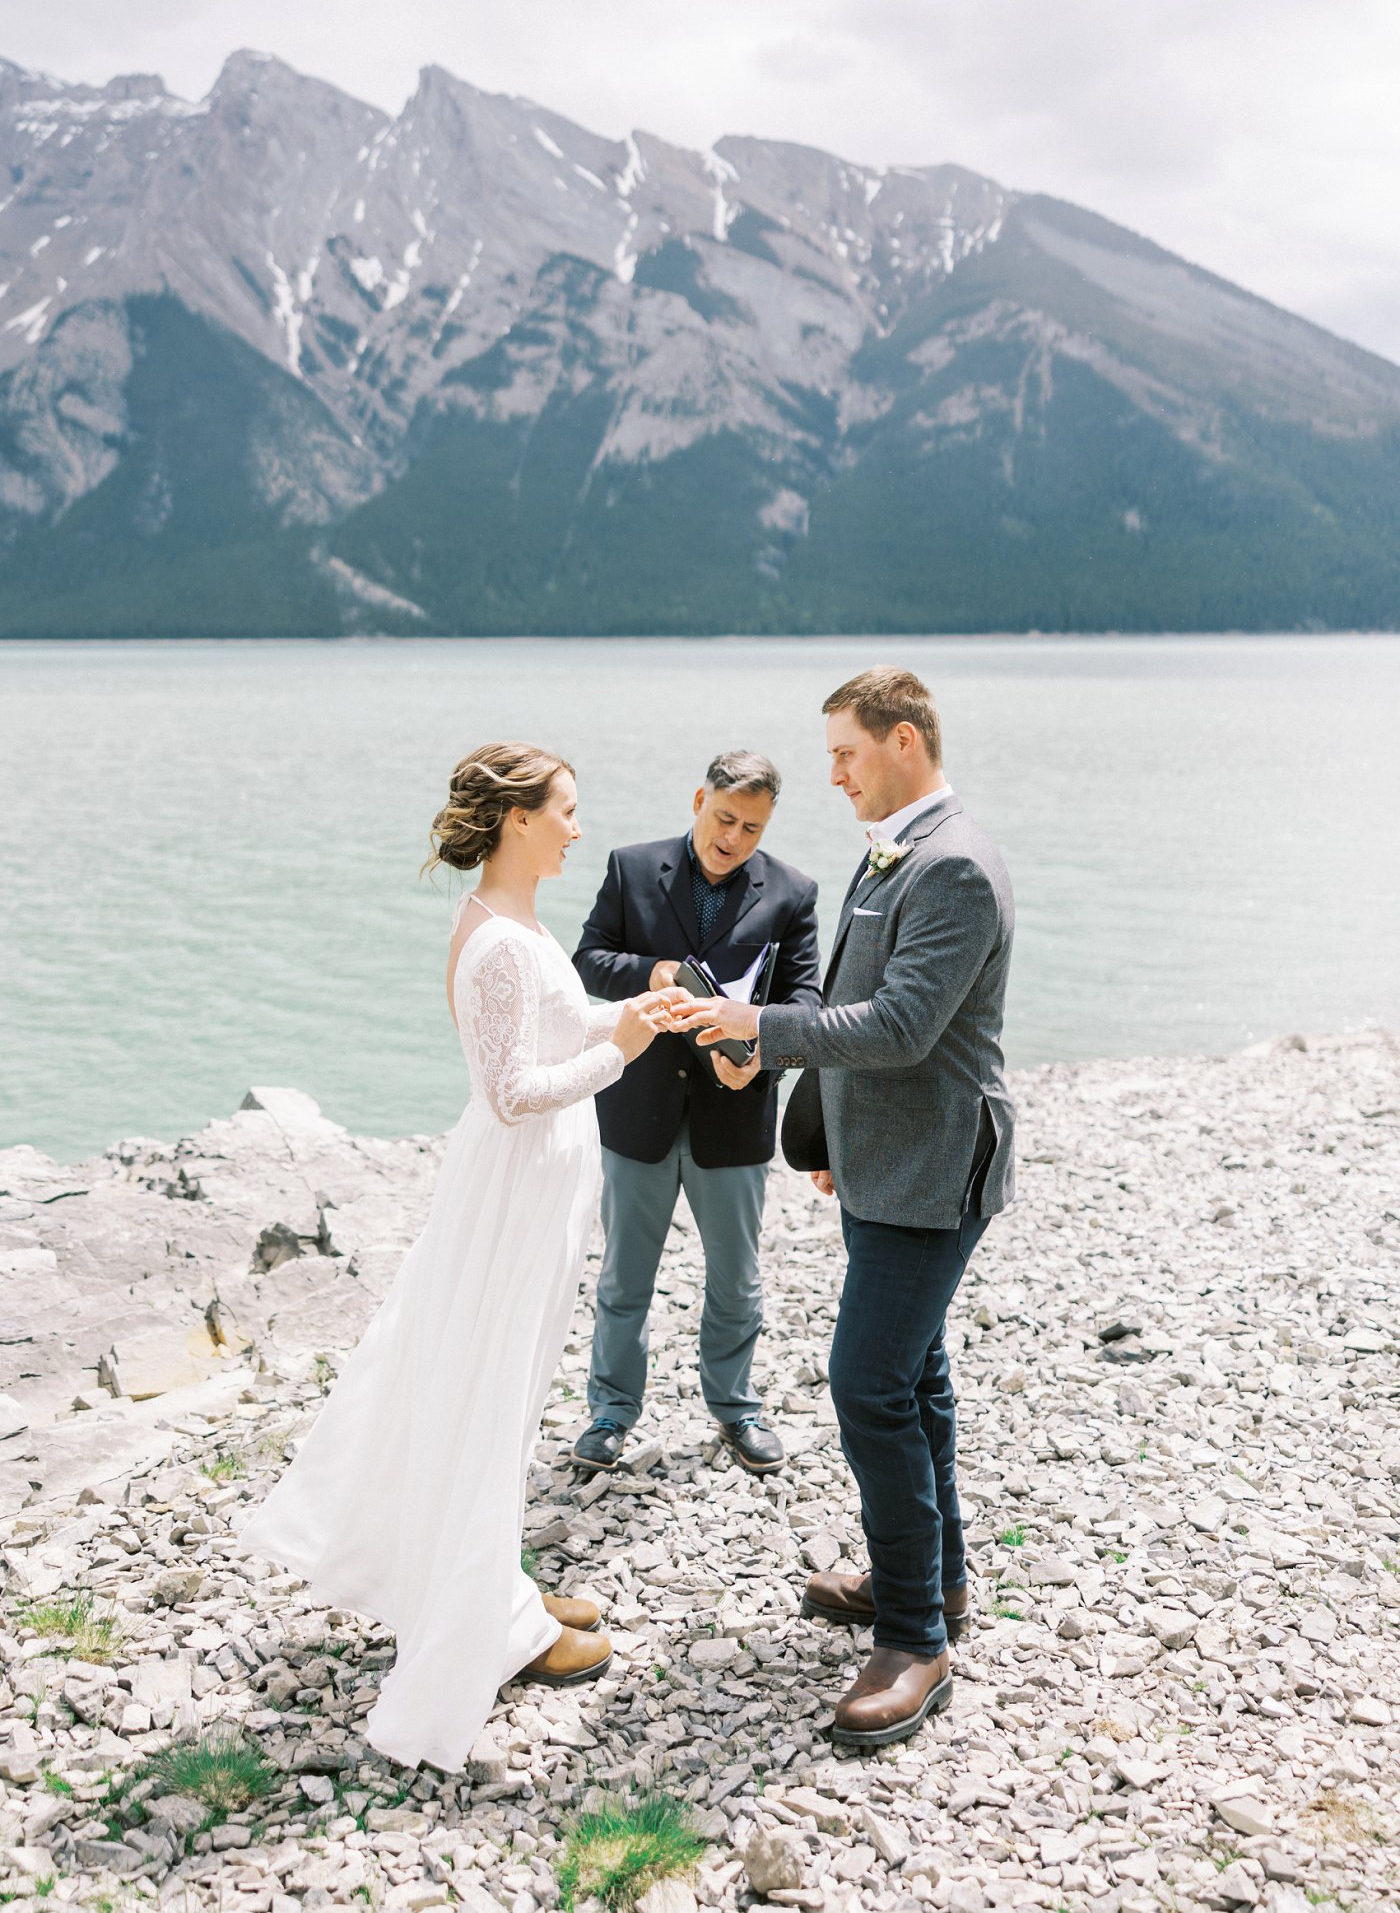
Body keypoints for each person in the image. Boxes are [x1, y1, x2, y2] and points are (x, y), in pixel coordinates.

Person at [240, 743, 675, 1771]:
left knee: (508, 1401)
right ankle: (478, 1633)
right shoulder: (496, 946)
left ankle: (493, 1588)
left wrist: (627, 1016)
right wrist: (622, 1053)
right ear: (517, 819)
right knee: (488, 1403)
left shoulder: (515, 925)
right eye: (565, 810)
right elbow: (510, 1092)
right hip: (512, 1202)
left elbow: (542, 1043)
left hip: (537, 1196)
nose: (578, 827)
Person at [672, 669, 1015, 1749]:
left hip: (935, 1167)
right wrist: (821, 1131)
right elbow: (847, 1002)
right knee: (913, 1375)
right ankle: (937, 1582)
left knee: (864, 1380)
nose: (829, 774)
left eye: (845, 753)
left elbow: (904, 1025)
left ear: (903, 741)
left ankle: (915, 1639)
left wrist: (752, 1030)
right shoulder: (897, 851)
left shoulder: (953, 864)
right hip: (883, 1159)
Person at [571, 750, 822, 1475]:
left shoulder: (794, 893)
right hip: (636, 1111)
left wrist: (755, 1056)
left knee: (736, 1281)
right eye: (723, 819)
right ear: (698, 800)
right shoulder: (628, 867)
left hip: (735, 1117)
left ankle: (736, 1409)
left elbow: (806, 1006)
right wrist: (649, 973)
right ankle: (611, 1412)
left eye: (751, 827)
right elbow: (587, 959)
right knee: (624, 1279)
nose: (733, 838)